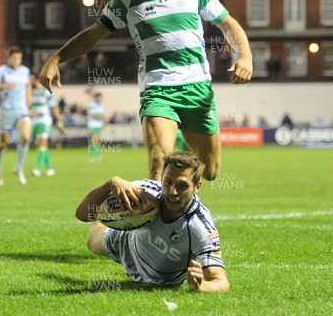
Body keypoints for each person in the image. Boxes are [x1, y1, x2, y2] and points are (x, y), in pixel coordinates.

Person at [40, 0, 253, 181]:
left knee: (210, 171)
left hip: (198, 89)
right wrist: (56, 58)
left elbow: (227, 24)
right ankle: (158, 218)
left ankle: (181, 194)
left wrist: (245, 56)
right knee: (158, 163)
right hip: (158, 90)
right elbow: (93, 35)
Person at [75, 152, 229, 292]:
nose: (172, 192)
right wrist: (109, 184)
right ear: (161, 178)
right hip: (127, 241)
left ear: (197, 187)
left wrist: (202, 286)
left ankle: (107, 214)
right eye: (168, 182)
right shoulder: (144, 191)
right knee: (92, 241)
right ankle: (105, 216)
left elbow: (221, 282)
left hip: (161, 281)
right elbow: (82, 214)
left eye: (182, 186)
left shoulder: (200, 227)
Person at [0, 47, 32, 185]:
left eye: (19, 59)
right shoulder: (1, 71)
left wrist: (29, 98)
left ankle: (19, 167)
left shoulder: (25, 71)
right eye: (14, 58)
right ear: (8, 58)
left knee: (26, 137)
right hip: (6, 110)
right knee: (2, 143)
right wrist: (4, 86)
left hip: (21, 110)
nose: (16, 61)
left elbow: (27, 85)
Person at [30, 75, 65, 177]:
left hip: (44, 120)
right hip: (35, 122)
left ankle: (38, 169)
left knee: (42, 142)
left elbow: (54, 108)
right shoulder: (31, 93)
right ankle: (50, 168)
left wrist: (59, 122)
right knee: (42, 145)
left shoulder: (46, 92)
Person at [87, 92, 104, 162]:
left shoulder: (101, 104)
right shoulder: (92, 104)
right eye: (99, 97)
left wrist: (102, 119)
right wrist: (101, 117)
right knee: (94, 141)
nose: (100, 99)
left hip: (99, 124)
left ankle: (95, 155)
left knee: (97, 141)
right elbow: (93, 115)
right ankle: (95, 156)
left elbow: (100, 114)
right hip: (93, 124)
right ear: (96, 97)